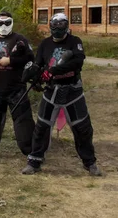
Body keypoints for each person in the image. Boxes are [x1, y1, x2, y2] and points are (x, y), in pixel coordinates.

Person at [20, 13, 102, 176]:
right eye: (54, 25)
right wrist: (34, 78)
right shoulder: (45, 44)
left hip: (73, 91)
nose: (57, 28)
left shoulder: (75, 42)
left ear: (66, 26)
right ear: (50, 26)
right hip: (52, 91)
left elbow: (78, 61)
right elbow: (38, 64)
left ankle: (90, 162)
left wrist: (53, 71)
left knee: (83, 128)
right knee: (42, 126)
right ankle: (34, 161)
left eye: (61, 25)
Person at [0, 11, 36, 160]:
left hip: (16, 88)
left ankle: (31, 152)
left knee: (23, 121)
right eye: (1, 23)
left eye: (7, 23)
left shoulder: (20, 39)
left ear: (12, 22)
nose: (4, 26)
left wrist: (10, 61)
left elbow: (30, 58)